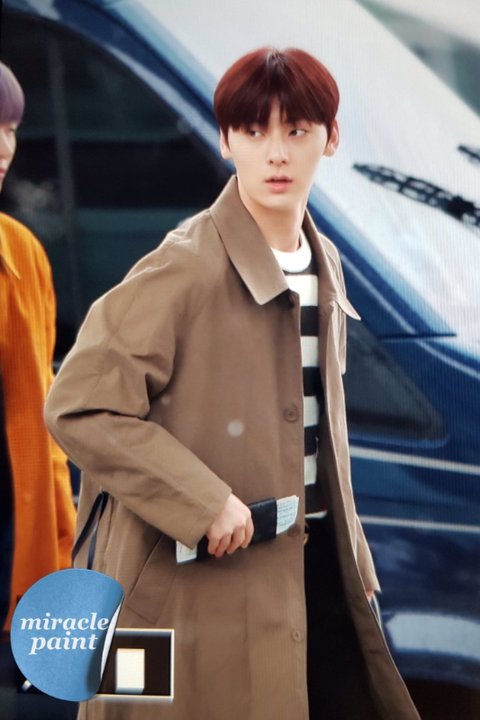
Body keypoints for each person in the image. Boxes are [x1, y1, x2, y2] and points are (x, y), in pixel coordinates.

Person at [45, 48, 419, 719]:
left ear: (331, 139)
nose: (276, 153)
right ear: (226, 141)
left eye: (296, 131)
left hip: (314, 574)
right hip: (192, 589)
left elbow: (320, 431)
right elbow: (79, 404)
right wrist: (202, 500)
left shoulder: (325, 260)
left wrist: (355, 564)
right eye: (253, 131)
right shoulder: (183, 268)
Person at [0, 62, 76, 631]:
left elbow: (41, 417)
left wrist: (60, 545)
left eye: (11, 128)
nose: (5, 146)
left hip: (12, 547)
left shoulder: (23, 254)